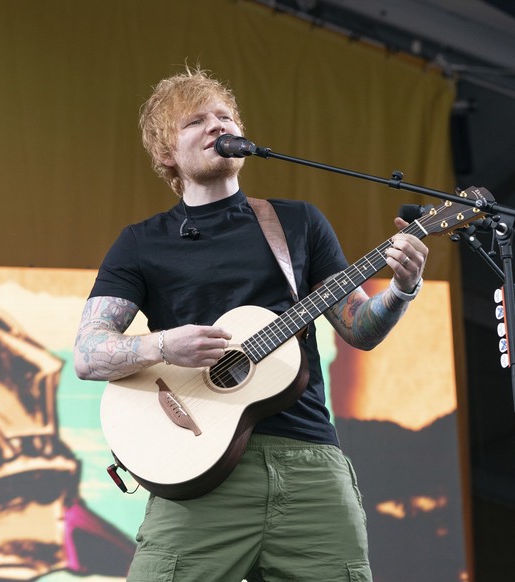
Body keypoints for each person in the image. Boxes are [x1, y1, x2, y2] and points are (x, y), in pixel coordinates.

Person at [73, 66, 428, 582]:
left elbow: (359, 328)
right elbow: (87, 353)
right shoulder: (140, 243)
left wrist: (402, 288)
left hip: (309, 467)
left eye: (225, 117)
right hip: (195, 472)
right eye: (196, 120)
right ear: (167, 153)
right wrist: (164, 345)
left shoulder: (298, 223)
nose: (217, 126)